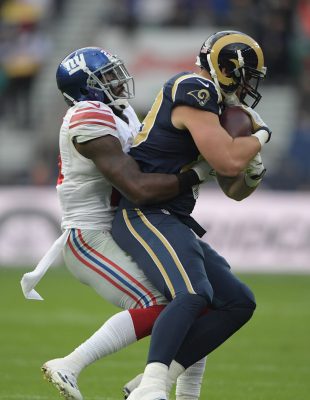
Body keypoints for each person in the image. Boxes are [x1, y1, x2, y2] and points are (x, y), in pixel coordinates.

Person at [20, 47, 214, 400]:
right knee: (159, 304)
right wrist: (197, 174)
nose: (117, 81)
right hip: (91, 235)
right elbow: (137, 187)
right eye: (106, 77)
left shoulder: (120, 111)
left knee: (197, 300)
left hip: (125, 229)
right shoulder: (87, 114)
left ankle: (162, 388)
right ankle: (70, 363)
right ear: (86, 88)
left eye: (114, 72)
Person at [111, 30, 272, 400]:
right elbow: (226, 159)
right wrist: (260, 138)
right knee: (192, 293)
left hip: (173, 216)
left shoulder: (216, 106)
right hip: (145, 212)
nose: (249, 85)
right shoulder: (193, 88)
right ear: (228, 68)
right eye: (247, 76)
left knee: (237, 302)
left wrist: (254, 171)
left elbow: (235, 190)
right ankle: (151, 387)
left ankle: (157, 380)